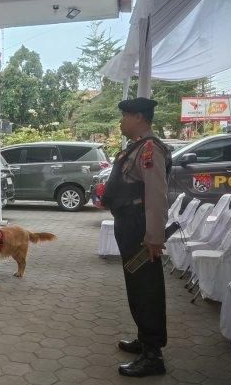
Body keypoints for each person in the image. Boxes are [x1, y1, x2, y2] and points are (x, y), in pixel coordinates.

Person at [101, 97, 171, 377]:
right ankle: (145, 339)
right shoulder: (138, 147)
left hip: (141, 230)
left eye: (125, 116)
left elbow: (157, 195)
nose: (121, 121)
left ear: (139, 118)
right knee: (137, 284)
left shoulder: (150, 149)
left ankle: (154, 355)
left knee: (147, 289)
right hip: (130, 225)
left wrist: (154, 236)